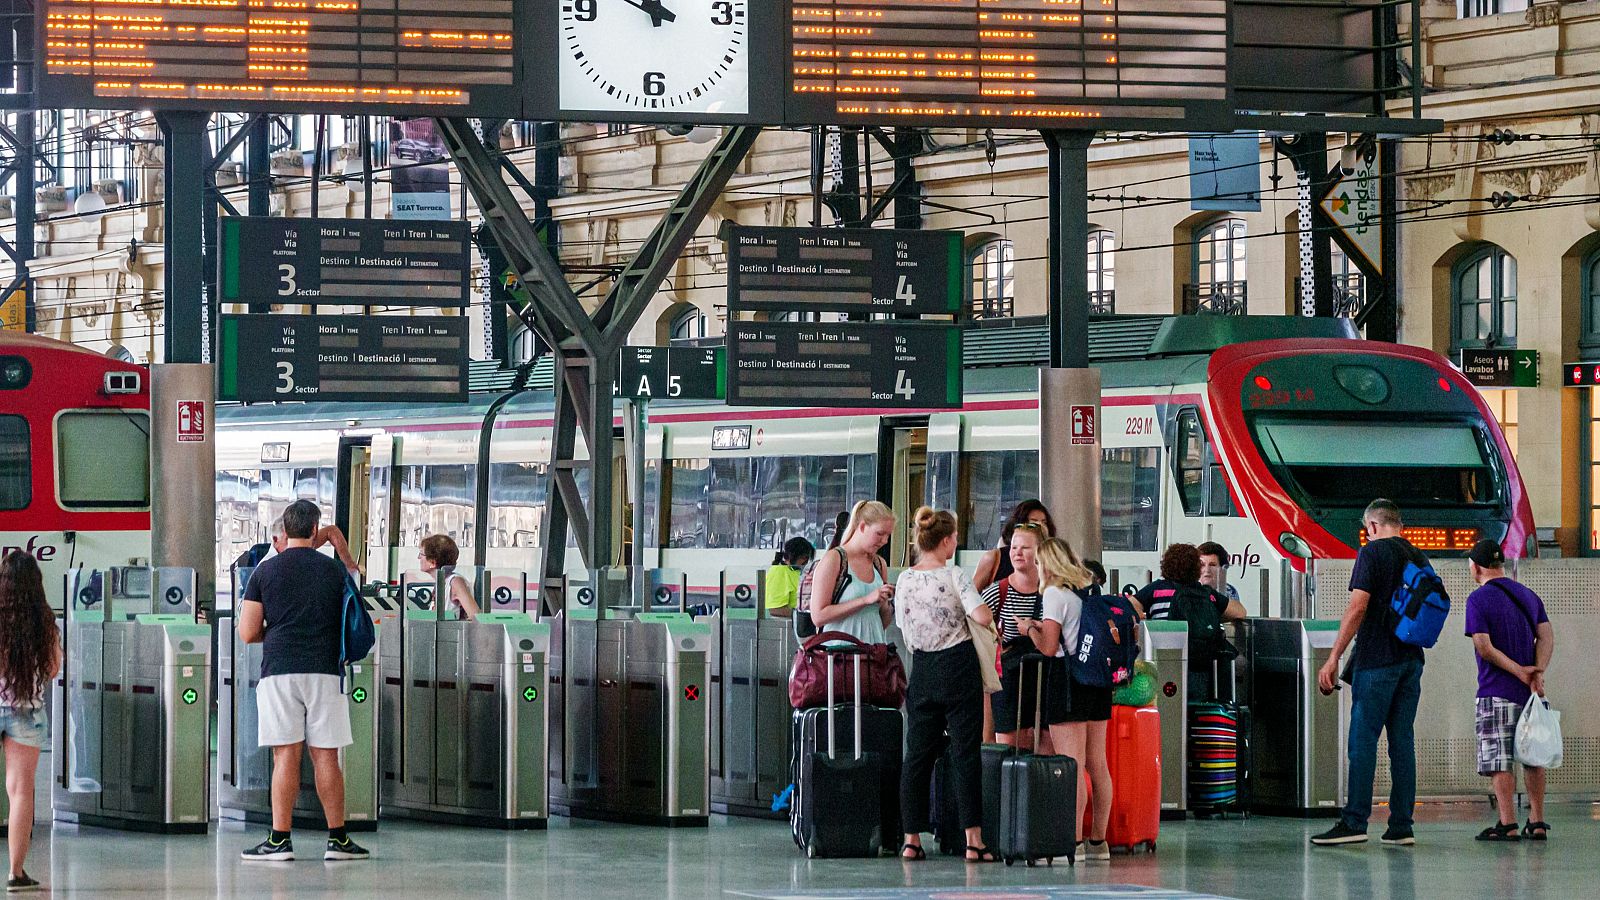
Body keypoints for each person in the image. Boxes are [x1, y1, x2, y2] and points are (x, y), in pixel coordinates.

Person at [238, 499, 370, 862]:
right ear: (315, 530)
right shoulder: (334, 572)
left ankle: (280, 840)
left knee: (286, 756)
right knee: (326, 756)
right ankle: (338, 840)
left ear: (284, 531)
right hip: (325, 670)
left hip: (279, 672)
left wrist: (278, 633)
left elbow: (247, 632)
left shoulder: (264, 573)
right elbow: (353, 606)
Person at [1312, 499, 1425, 848]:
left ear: (1372, 527)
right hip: (1411, 660)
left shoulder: (1372, 554)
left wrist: (1333, 657)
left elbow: (1358, 605)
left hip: (1377, 661)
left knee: (1362, 742)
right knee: (1402, 742)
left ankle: (1355, 821)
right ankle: (1401, 826)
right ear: (1399, 524)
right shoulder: (1417, 557)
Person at [894, 508, 997, 863]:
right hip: (958, 667)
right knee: (965, 752)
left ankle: (911, 840)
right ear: (948, 540)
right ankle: (973, 840)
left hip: (922, 669)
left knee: (917, 756)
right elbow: (981, 614)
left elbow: (904, 628)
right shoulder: (955, 575)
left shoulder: (905, 579)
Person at [1026, 537, 1113, 862]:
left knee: (1071, 765)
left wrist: (1028, 631)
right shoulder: (1088, 589)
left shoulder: (1054, 593)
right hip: (1098, 681)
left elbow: (1049, 647)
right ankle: (1097, 843)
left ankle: (1071, 842)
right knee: (1098, 764)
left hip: (1067, 680)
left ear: (1046, 563)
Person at [1463, 539, 1555, 842]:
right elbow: (1546, 636)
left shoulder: (1478, 599)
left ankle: (1508, 823)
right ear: (1501, 564)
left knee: (1498, 760)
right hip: (1531, 695)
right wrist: (1536, 672)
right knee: (1534, 758)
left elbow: (1483, 646)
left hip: (1495, 692)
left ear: (1475, 566)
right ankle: (1537, 821)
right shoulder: (1528, 595)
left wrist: (1518, 671)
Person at [0, 552, 62, 893]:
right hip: (26, 710)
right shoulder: (44, 622)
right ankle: (16, 872)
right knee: (20, 793)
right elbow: (54, 668)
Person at [1134, 543, 1245, 702]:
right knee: (1195, 709)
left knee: (1166, 709)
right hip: (1198, 663)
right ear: (1196, 568)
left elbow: (1131, 605)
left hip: (1162, 660)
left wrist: (1145, 619)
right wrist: (1212, 615)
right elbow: (1240, 612)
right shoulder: (1204, 594)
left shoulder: (1156, 589)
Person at [982, 522, 1052, 753]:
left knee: (1045, 746)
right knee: (1009, 749)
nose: (1017, 553)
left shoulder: (1052, 593)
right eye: (1013, 547)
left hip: (1045, 680)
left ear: (1040, 552)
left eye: (1025, 548)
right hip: (1008, 684)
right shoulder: (996, 592)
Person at [808, 500, 895, 644]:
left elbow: (881, 622)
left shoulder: (879, 564)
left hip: (873, 654)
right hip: (838, 656)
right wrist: (865, 600)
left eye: (888, 535)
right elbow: (818, 617)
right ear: (862, 527)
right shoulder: (835, 559)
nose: (885, 541)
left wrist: (886, 604)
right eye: (880, 533)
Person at [974, 500, 1056, 592]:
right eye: (1034, 523)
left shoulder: (1053, 560)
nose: (1041, 527)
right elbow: (970, 597)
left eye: (1044, 523)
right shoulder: (994, 558)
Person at [418, 534, 479, 620]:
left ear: (433, 562)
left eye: (421, 554)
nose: (418, 558)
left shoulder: (455, 582)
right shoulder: (442, 582)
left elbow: (475, 615)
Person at [764, 537, 815, 619]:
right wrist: (806, 615)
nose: (806, 561)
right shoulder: (779, 572)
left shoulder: (798, 571)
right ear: (792, 555)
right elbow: (775, 609)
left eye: (807, 557)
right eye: (803, 557)